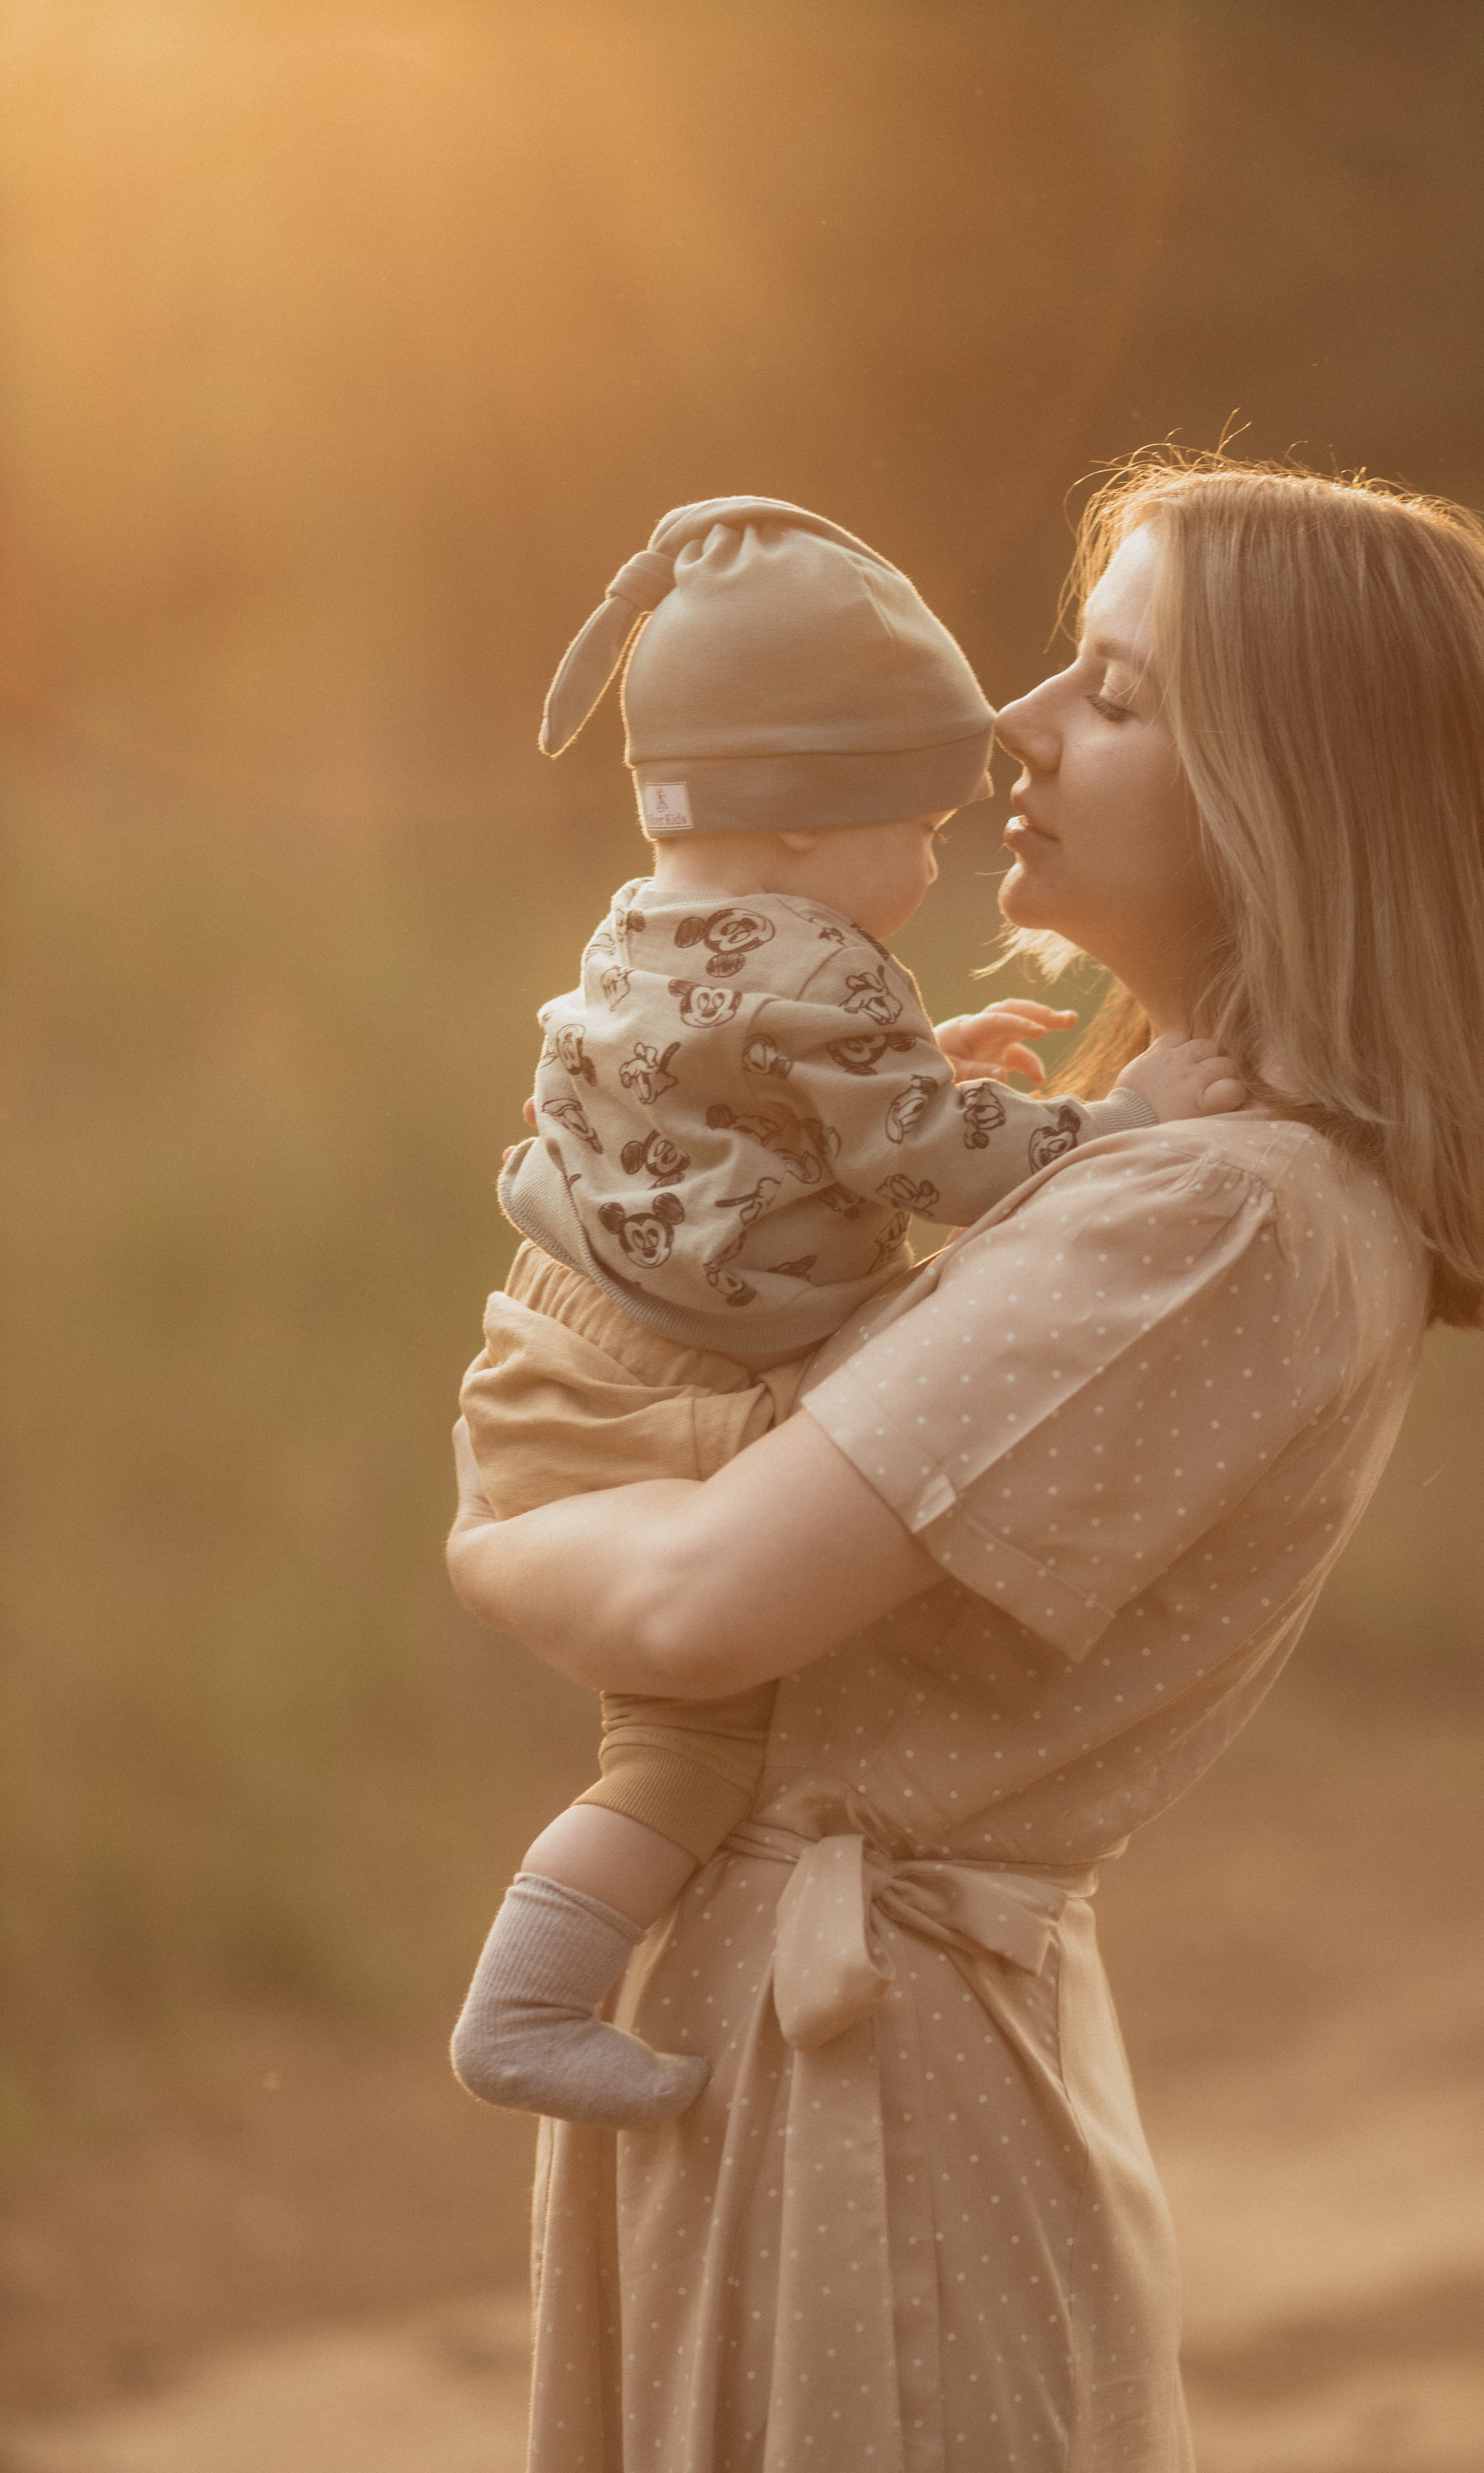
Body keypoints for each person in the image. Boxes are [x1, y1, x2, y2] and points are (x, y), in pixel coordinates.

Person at [447, 453, 1484, 2473]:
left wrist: (493, 1539)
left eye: (1117, 691)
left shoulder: (1217, 1212)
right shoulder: (1144, 1164)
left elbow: (697, 1603)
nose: (1015, 724)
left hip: (871, 2113)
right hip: (794, 2048)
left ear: (1293, 799)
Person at [448, 496, 1246, 2132]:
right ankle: (525, 2003)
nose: (941, 857)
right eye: (922, 824)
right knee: (682, 1756)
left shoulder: (643, 925)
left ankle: (533, 1997)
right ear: (809, 825)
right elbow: (929, 1166)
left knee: (664, 1734)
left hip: (547, 1343)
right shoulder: (826, 972)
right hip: (673, 1385)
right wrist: (1125, 1120)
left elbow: (725, 1099)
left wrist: (917, 1061)